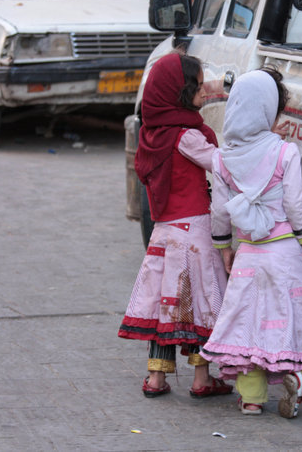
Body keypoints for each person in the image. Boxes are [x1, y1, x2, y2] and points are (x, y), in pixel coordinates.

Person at [201, 68, 302, 418]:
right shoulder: (285, 153)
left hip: (248, 256)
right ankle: (297, 374)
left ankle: (251, 399)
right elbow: (295, 205)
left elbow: (219, 212)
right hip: (286, 253)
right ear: (269, 111)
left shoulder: (221, 158)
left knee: (246, 324)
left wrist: (224, 250)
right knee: (294, 320)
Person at [118, 52, 232, 399]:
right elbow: (220, 164)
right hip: (195, 231)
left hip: (165, 232)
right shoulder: (186, 136)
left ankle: (156, 379)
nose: (202, 90)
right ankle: (201, 379)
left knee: (165, 306)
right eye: (196, 85)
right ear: (177, 91)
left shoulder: (152, 134)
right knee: (201, 302)